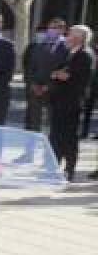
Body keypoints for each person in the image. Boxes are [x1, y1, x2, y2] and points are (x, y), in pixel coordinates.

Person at [48, 25, 94, 181]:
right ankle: (54, 165)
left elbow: (68, 76)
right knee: (56, 135)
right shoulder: (69, 53)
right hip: (60, 101)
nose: (67, 37)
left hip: (71, 103)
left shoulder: (85, 55)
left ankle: (69, 168)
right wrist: (58, 74)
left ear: (79, 38)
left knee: (68, 137)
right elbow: (56, 72)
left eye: (70, 35)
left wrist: (60, 75)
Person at [22, 17, 69, 133]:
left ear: (62, 30)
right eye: (49, 28)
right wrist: (32, 84)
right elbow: (30, 66)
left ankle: (45, 148)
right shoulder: (39, 45)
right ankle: (30, 148)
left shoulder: (67, 47)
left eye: (54, 28)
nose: (51, 30)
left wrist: (47, 86)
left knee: (50, 125)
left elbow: (65, 68)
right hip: (35, 90)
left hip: (54, 92)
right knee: (33, 123)